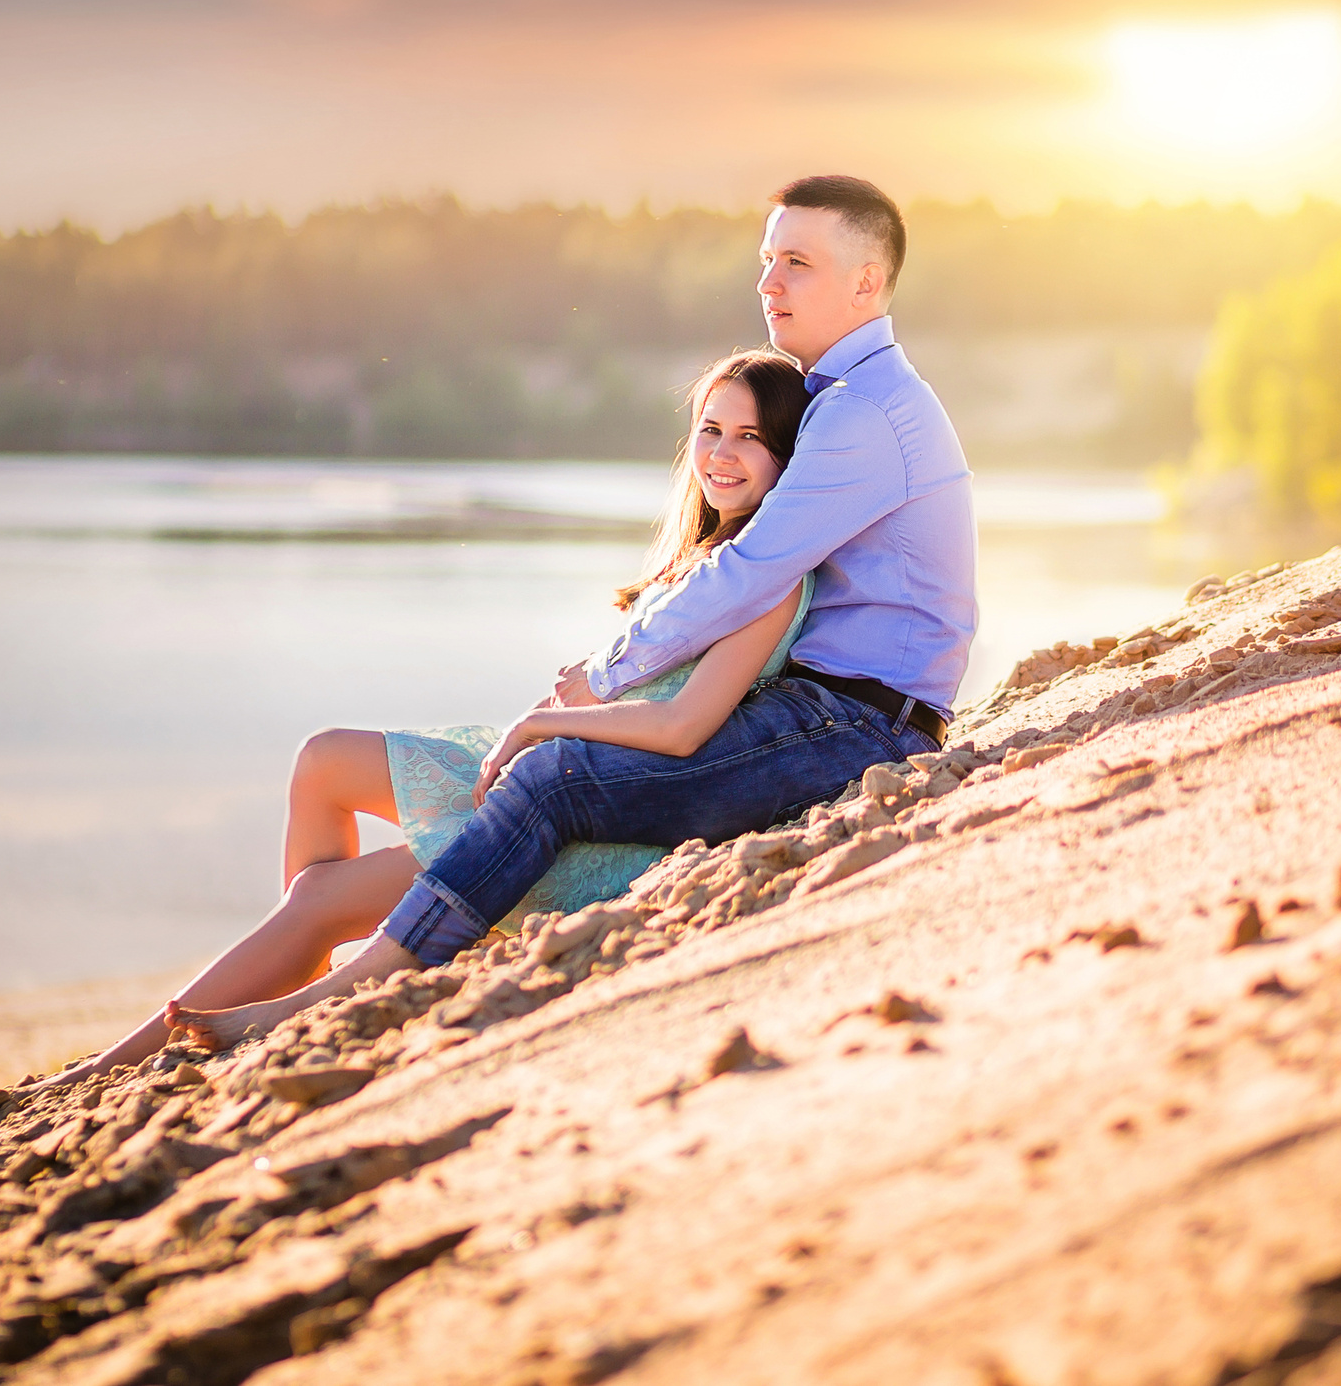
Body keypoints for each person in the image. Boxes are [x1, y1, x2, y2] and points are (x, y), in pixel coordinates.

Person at [159, 173, 976, 1058]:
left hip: (857, 724)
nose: (770, 284)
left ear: (866, 283)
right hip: (832, 708)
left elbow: (750, 572)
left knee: (553, 778)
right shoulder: (846, 402)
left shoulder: (861, 414)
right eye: (767, 261)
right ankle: (323, 956)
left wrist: (599, 675)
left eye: (799, 264)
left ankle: (347, 992)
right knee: (497, 770)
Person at [42, 348, 818, 1083]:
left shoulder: (770, 580)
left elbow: (684, 726)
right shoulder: (706, 554)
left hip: (588, 819)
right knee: (322, 762)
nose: (721, 452)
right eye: (710, 429)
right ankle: (304, 955)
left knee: (319, 897)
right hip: (545, 768)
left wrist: (544, 724)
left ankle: (135, 1053)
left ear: (788, 459)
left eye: (750, 438)